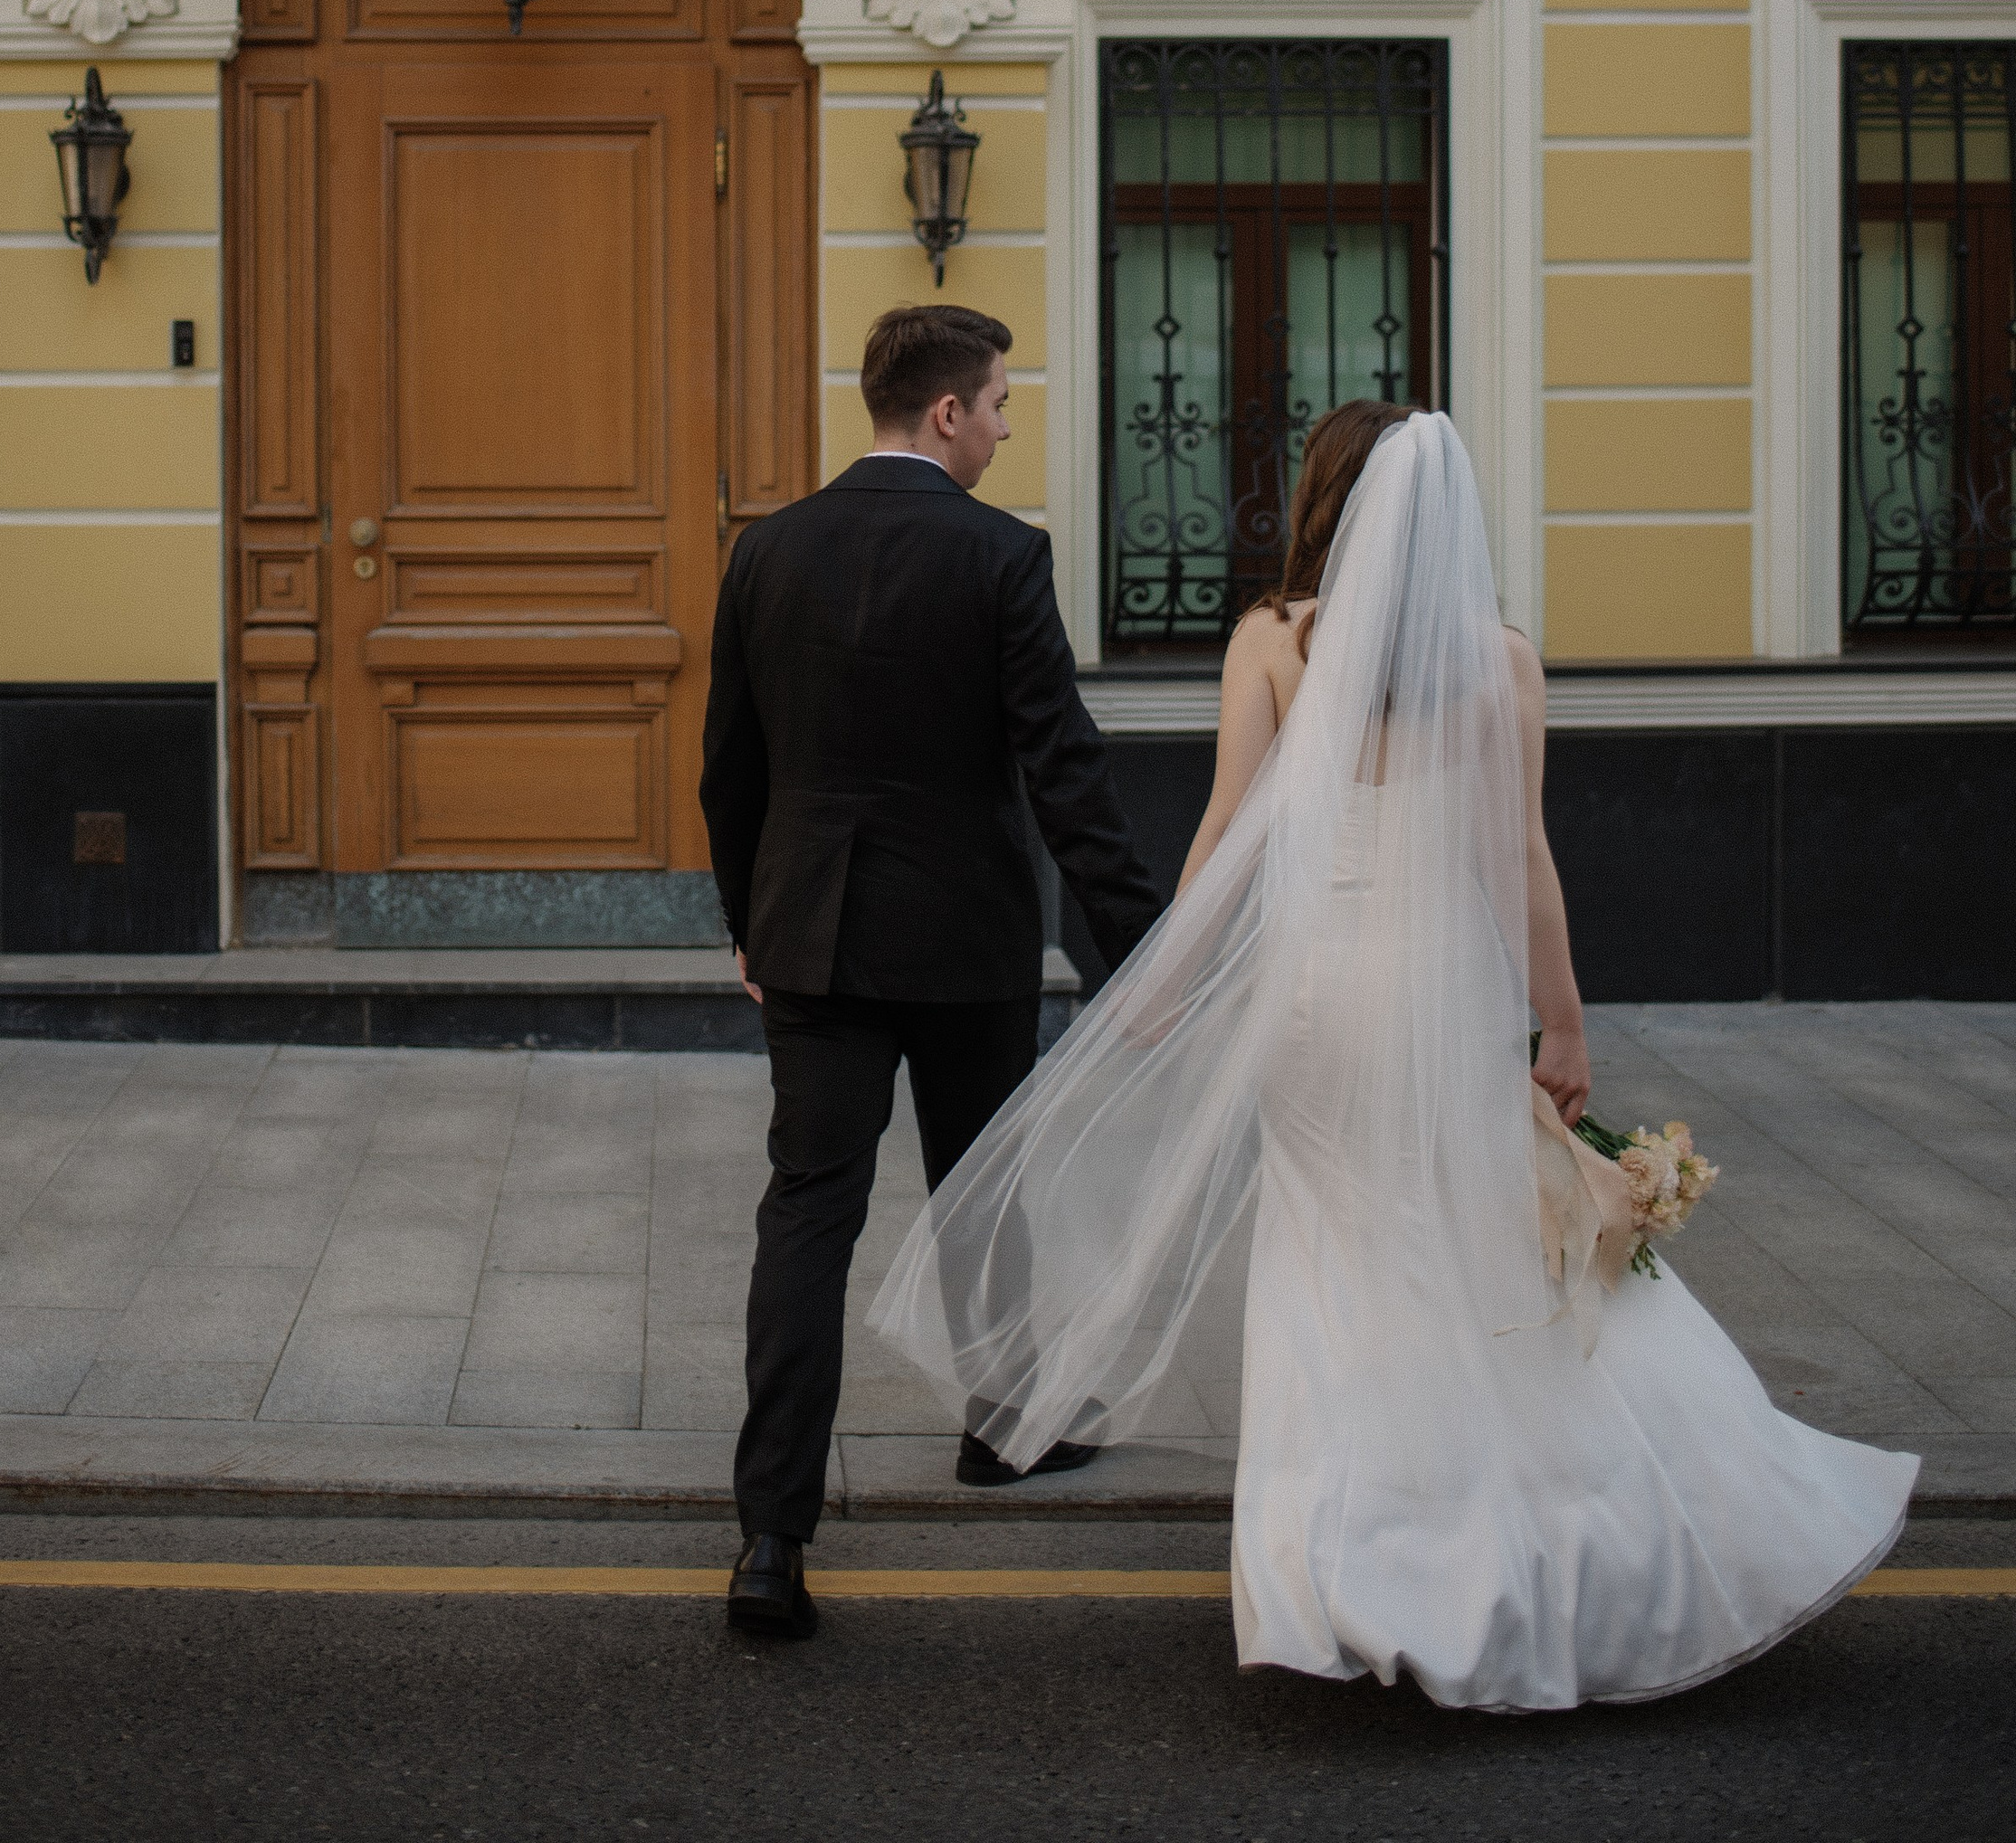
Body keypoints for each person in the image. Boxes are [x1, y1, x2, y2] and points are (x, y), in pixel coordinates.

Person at [871, 403, 1916, 1712]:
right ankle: (1535, 1526)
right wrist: (1566, 1022)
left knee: (1329, 1254)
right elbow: (1520, 862)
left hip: (1317, 999)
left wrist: (1161, 978)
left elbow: (1224, 833)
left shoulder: (1270, 641)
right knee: (1469, 1244)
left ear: (1328, 504)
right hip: (1443, 989)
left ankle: (1340, 1566)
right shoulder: (1504, 661)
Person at [702, 300, 1164, 1645]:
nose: (1010, 425)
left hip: (814, 938)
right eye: (1003, 403)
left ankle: (771, 1539)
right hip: (964, 942)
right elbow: (1065, 776)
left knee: (808, 1216)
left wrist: (750, 921)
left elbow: (731, 769)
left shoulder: (767, 551)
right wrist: (1144, 950)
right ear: (946, 412)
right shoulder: (1002, 559)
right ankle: (1005, 1434)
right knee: (984, 1195)